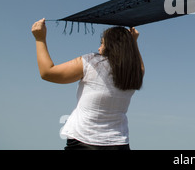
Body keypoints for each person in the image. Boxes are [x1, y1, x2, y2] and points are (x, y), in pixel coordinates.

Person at [31, 18, 144, 150]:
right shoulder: (136, 71)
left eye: (102, 43)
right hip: (119, 143)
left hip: (84, 140)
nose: (99, 47)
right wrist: (134, 42)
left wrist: (40, 39)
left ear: (112, 46)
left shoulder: (93, 62)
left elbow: (47, 73)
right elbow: (135, 59)